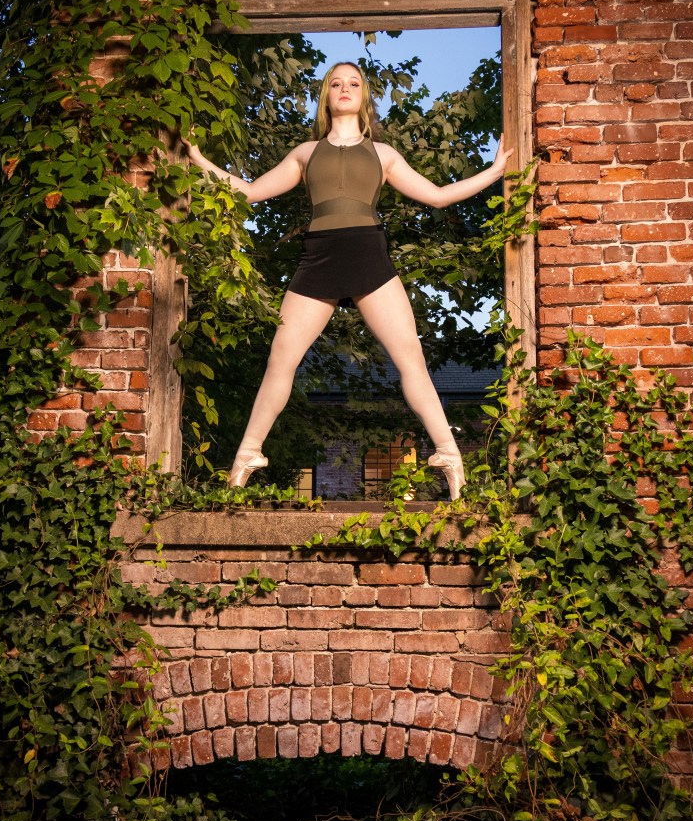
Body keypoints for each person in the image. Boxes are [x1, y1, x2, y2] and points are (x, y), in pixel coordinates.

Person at [185, 62, 512, 498]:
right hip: (318, 260)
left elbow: (436, 196)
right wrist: (198, 158)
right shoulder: (305, 153)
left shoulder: (383, 154)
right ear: (326, 96)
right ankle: (247, 454)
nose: (344, 89)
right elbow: (249, 192)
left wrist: (493, 173)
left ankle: (449, 454)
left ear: (363, 97)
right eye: (335, 83)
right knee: (281, 359)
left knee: (410, 358)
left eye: (353, 83)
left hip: (368, 257)